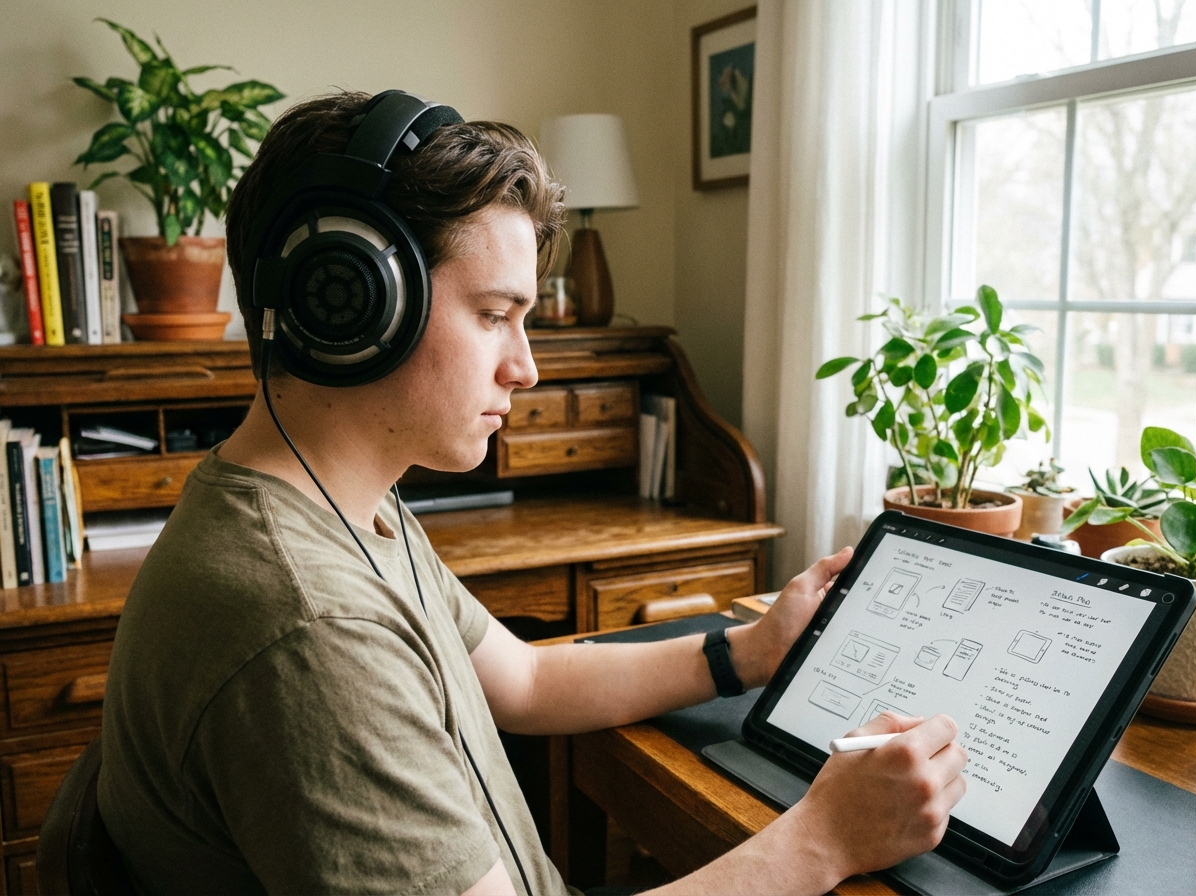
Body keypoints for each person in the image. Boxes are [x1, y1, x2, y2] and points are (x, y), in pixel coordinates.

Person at [98, 90, 967, 896]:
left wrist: (748, 651)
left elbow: (523, 679)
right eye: (491, 314)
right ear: (353, 302)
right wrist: (823, 839)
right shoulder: (309, 628)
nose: (527, 366)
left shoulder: (339, 505)